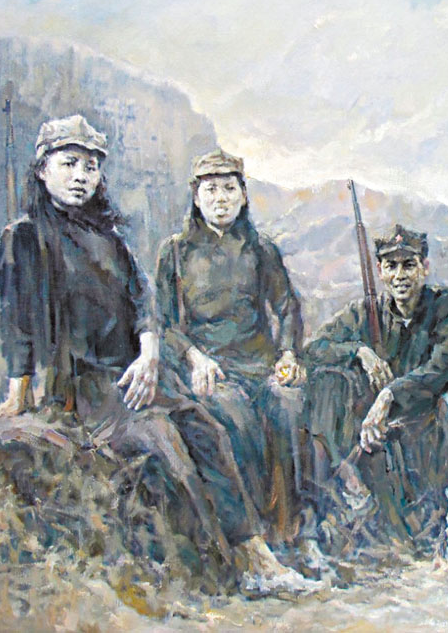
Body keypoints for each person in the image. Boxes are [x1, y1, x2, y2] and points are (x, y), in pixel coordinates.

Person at [0, 118, 308, 591]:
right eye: (69, 164)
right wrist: (19, 394)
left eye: (91, 167)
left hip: (133, 371)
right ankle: (219, 570)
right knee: (161, 441)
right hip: (82, 383)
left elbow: (143, 303)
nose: (81, 176)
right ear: (42, 170)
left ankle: (256, 558)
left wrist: (150, 351)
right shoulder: (25, 237)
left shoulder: (109, 240)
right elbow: (17, 324)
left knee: (207, 429)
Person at [155, 149, 324, 582]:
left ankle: (296, 530)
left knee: (288, 406)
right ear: (196, 198)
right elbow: (164, 325)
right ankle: (255, 542)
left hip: (261, 366)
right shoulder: (175, 254)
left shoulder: (261, 250)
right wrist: (194, 357)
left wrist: (288, 355)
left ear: (243, 195)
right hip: (211, 371)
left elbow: (287, 308)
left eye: (229, 189)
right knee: (236, 417)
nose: (221, 198)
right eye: (211, 190)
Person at [304, 224, 448, 564]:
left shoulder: (446, 307)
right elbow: (313, 349)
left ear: (424, 268)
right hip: (384, 430)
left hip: (430, 418)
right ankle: (353, 497)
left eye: (409, 265)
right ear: (380, 272)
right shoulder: (365, 313)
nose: (400, 275)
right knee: (327, 382)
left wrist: (390, 395)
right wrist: (359, 351)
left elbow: (447, 366)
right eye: (391, 266)